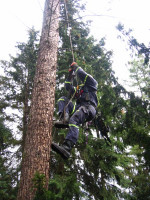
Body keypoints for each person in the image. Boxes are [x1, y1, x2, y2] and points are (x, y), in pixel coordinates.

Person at [51, 62, 98, 159]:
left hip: (88, 108)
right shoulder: (80, 90)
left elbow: (81, 74)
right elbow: (68, 87)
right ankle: (65, 118)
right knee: (63, 99)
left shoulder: (92, 83)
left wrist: (75, 67)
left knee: (74, 120)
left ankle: (67, 148)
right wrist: (69, 77)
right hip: (79, 108)